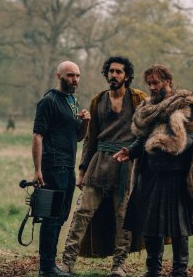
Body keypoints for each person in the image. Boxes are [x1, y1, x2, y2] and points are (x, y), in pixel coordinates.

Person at [113, 64, 193, 277]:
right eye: (149, 84)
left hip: (176, 176)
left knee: (179, 227)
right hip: (150, 174)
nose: (152, 87)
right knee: (151, 225)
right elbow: (142, 137)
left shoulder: (186, 105)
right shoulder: (149, 108)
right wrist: (130, 152)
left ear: (168, 81)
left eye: (156, 82)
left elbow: (191, 135)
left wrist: (173, 145)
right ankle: (153, 270)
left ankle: (179, 271)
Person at [61, 56, 147, 277]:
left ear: (127, 76)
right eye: (111, 71)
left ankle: (119, 265)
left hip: (127, 164)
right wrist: (82, 170)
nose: (114, 75)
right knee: (82, 212)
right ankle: (67, 263)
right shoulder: (99, 100)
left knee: (123, 217)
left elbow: (148, 130)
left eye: (119, 72)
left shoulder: (139, 99)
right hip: (100, 163)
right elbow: (91, 138)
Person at [32, 60, 90, 277]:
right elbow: (38, 135)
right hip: (52, 166)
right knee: (51, 217)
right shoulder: (48, 101)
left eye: (77, 75)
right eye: (69, 75)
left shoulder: (72, 102)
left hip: (68, 166)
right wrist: (38, 170)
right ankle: (46, 268)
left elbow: (77, 137)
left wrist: (85, 122)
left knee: (61, 216)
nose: (74, 79)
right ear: (59, 76)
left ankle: (50, 265)